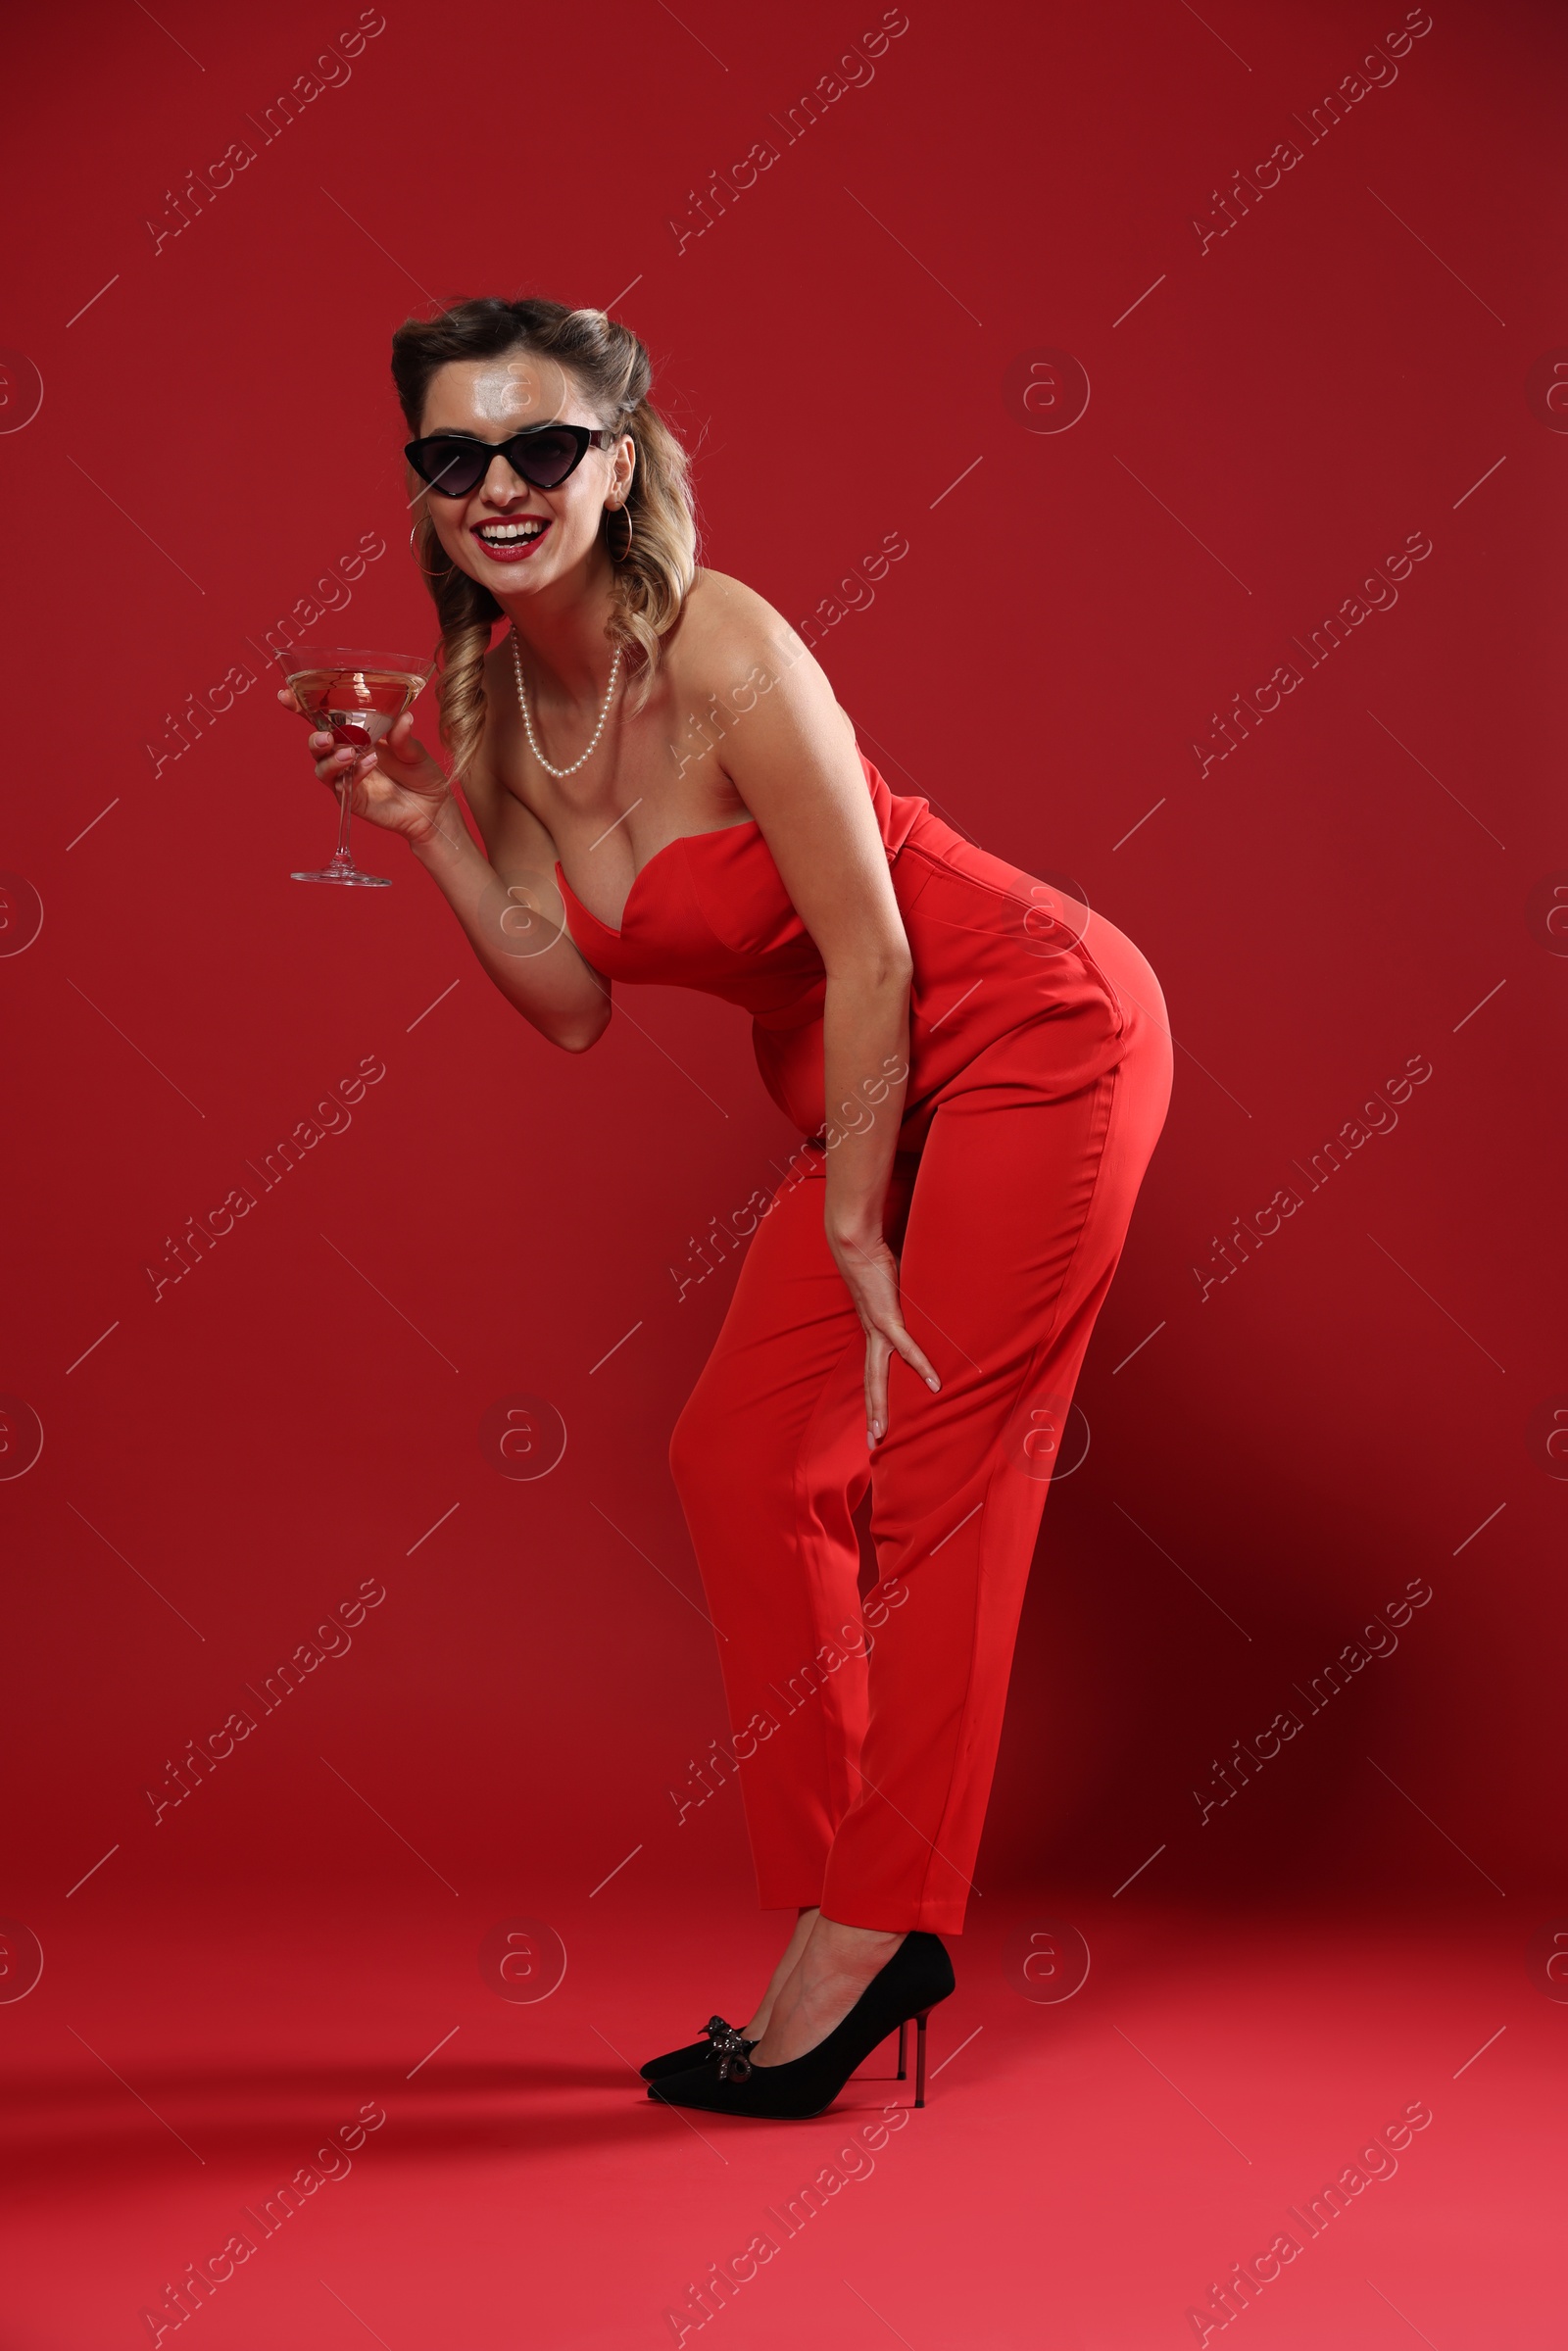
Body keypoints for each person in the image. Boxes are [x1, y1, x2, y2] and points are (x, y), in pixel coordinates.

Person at [281, 296, 1173, 2120]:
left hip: (1025, 1028)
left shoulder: (723, 643)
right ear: (424, 490)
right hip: (881, 1089)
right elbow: (577, 1003)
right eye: (458, 455)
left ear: (619, 462)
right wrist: (432, 831)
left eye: (544, 447)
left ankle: (864, 1941)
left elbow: (872, 943)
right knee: (742, 1463)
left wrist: (855, 1227)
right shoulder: (486, 704)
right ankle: (856, 1907)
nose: (503, 485)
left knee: (935, 1474)